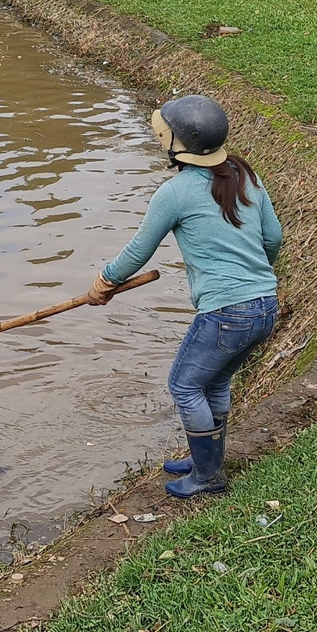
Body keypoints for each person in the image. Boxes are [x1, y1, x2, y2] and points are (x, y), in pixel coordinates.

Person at [84, 96, 282, 497]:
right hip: (265, 305)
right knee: (216, 381)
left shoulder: (175, 192)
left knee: (184, 386)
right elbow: (273, 239)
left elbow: (139, 250)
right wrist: (258, 277)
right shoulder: (246, 176)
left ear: (175, 143)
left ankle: (208, 477)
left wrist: (104, 283)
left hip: (226, 311)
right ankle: (203, 458)